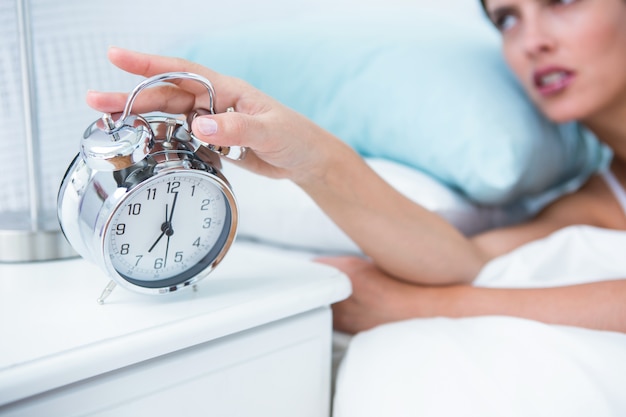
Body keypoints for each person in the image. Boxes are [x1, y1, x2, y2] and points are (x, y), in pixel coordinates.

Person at [87, 0, 626, 336]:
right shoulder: (590, 201)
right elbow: (462, 260)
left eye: (563, 0)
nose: (533, 42)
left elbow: (456, 286)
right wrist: (309, 154)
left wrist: (419, 307)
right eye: (507, 18)